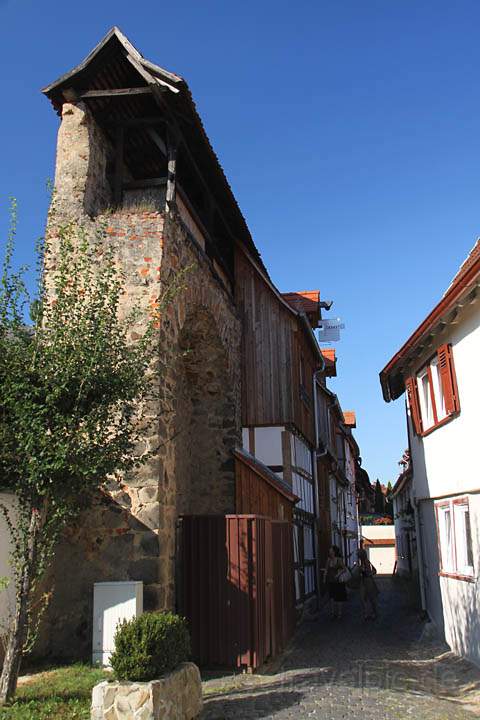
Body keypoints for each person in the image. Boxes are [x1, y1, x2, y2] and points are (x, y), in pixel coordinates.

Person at [322, 545, 348, 619]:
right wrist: (324, 578)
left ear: (334, 551)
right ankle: (332, 613)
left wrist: (338, 574)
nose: (329, 551)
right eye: (329, 550)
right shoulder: (328, 560)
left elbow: (344, 569)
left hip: (338, 581)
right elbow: (326, 569)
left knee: (339, 598)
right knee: (332, 598)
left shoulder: (339, 559)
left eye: (331, 550)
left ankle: (339, 613)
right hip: (331, 580)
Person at [357, 540, 379, 620]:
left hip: (368, 580)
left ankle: (373, 613)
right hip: (363, 581)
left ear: (362, 555)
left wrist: (368, 573)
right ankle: (367, 613)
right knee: (363, 598)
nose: (358, 555)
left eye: (358, 554)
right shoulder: (361, 562)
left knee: (370, 598)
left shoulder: (366, 562)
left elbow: (373, 571)